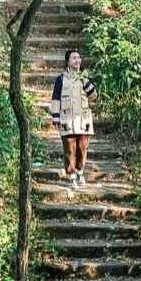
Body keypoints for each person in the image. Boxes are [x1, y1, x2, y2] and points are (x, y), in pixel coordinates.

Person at [49, 49, 97, 189]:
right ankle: (71, 175)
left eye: (79, 58)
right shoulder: (61, 78)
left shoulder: (84, 77)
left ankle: (80, 172)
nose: (77, 60)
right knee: (69, 149)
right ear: (67, 61)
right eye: (74, 58)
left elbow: (94, 96)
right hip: (66, 118)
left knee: (82, 148)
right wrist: (56, 119)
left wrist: (86, 80)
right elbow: (56, 99)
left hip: (83, 119)